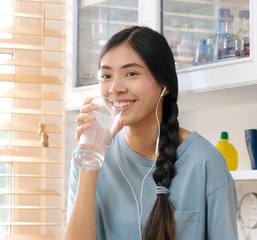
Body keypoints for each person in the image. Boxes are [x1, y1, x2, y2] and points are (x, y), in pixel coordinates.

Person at [64, 26, 238, 240]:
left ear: (164, 83)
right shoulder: (86, 159)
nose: (115, 88)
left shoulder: (205, 162)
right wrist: (91, 161)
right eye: (106, 75)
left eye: (131, 73)